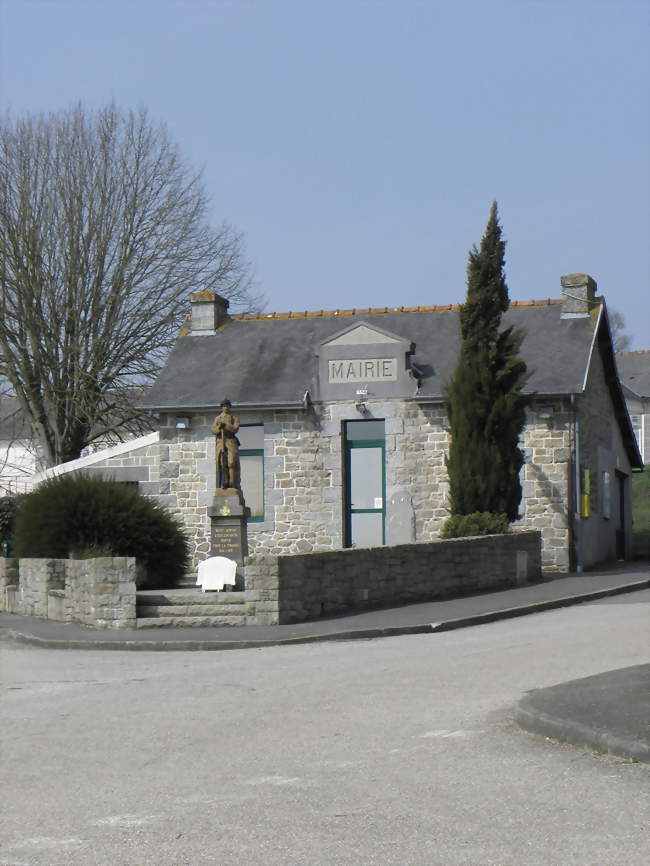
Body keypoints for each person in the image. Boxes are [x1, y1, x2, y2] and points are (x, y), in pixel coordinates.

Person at [211, 399, 241, 490]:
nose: (225, 408)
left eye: (227, 406)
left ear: (230, 407)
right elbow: (213, 430)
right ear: (221, 408)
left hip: (230, 440)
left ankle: (232, 482)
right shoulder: (217, 418)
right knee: (221, 462)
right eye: (224, 406)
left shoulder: (234, 418)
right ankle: (224, 482)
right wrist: (219, 427)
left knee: (231, 461)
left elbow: (235, 429)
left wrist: (227, 424)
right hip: (221, 441)